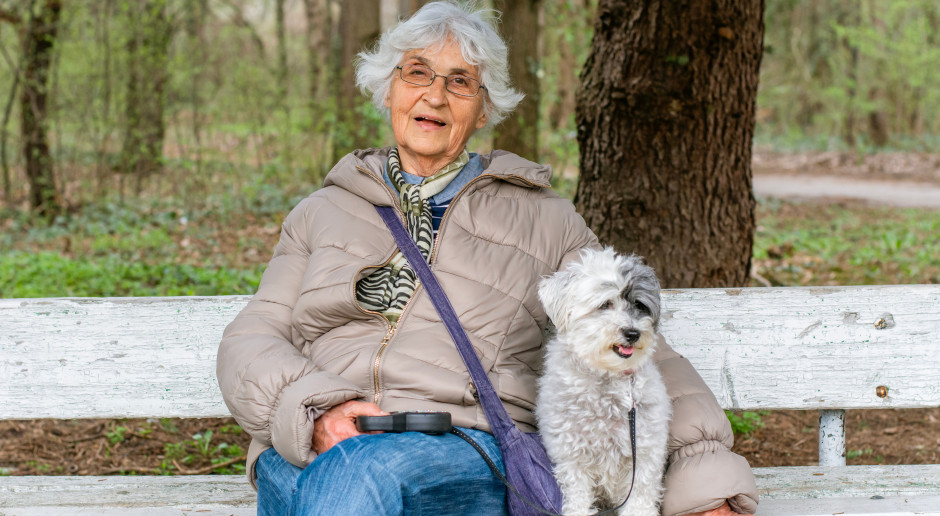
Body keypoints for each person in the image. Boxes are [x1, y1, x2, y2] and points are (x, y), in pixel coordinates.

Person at [216, 2, 758, 515]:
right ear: (388, 89)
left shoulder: (543, 219)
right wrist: (318, 412)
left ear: (483, 109)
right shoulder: (322, 211)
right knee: (339, 477)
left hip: (463, 445)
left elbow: (627, 339)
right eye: (417, 73)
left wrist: (703, 478)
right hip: (316, 443)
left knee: (362, 476)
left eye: (460, 82)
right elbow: (254, 337)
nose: (434, 96)